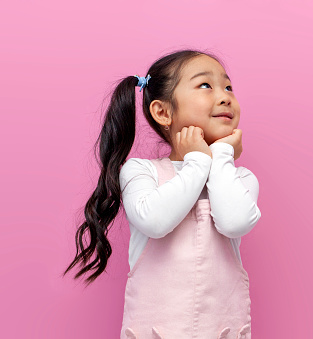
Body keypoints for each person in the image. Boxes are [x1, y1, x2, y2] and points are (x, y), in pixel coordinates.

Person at [63, 49, 262, 338]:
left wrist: (221, 155)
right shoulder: (141, 172)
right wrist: (197, 161)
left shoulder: (239, 178)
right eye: (206, 85)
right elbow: (154, 222)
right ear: (163, 112)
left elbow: (234, 222)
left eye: (228, 86)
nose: (225, 96)